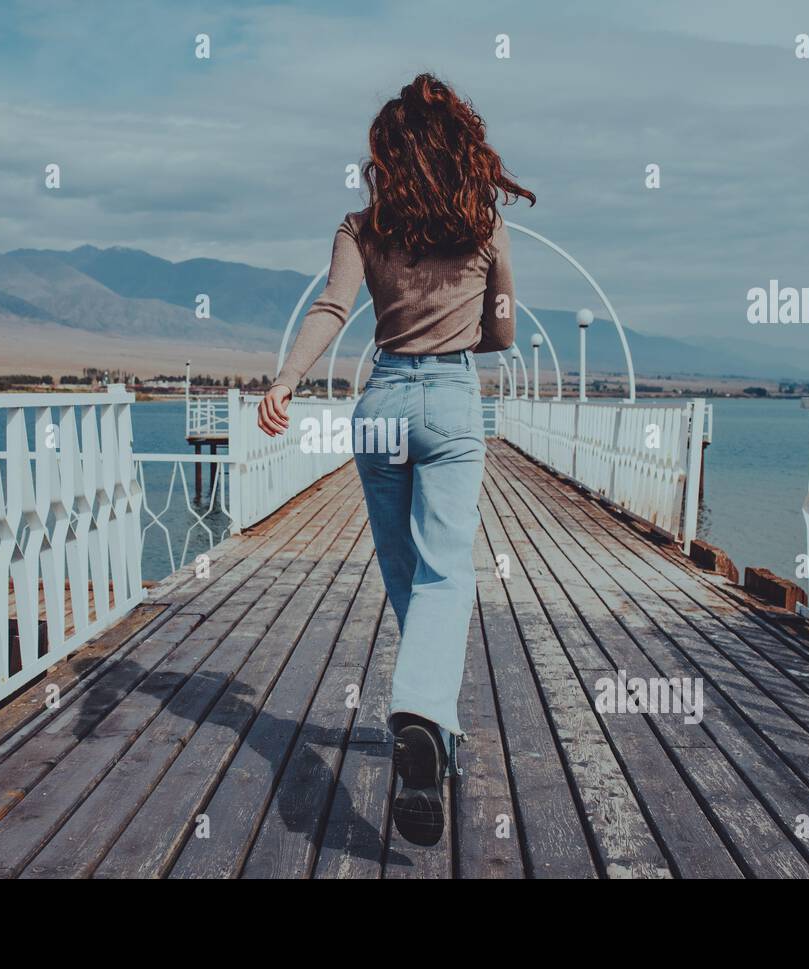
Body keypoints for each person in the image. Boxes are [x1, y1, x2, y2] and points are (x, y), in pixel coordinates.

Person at [258, 73, 533, 846]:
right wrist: (468, 316)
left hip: (381, 406)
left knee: (405, 570)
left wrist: (284, 380)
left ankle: (430, 721)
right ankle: (422, 710)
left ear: (387, 157)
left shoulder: (360, 227)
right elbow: (503, 331)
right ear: (459, 148)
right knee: (447, 569)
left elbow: (332, 310)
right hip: (450, 402)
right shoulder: (484, 227)